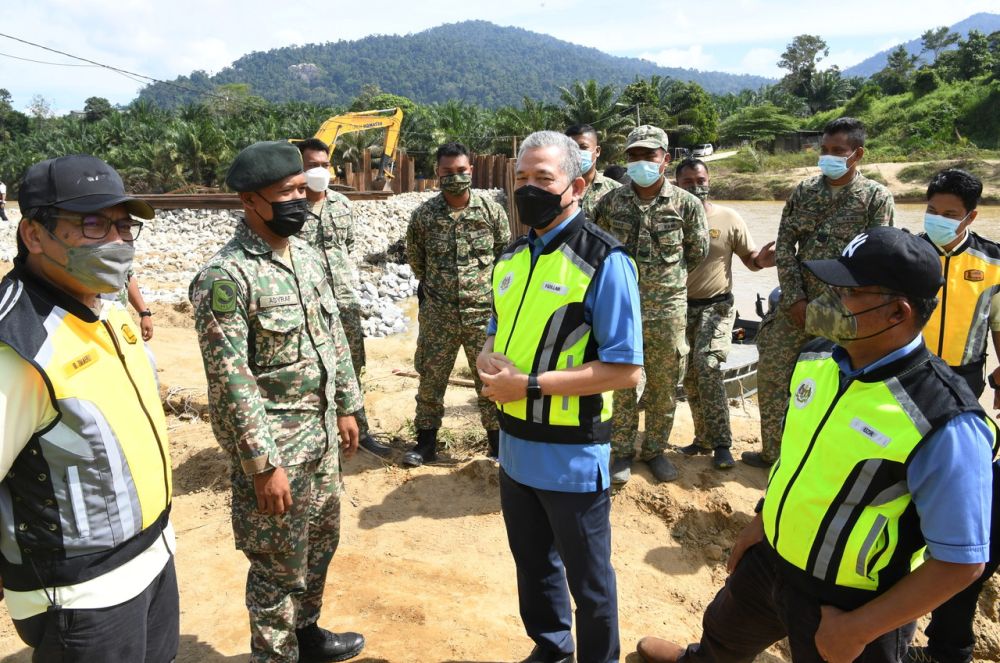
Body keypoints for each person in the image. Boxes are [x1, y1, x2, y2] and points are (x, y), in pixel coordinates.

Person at [636, 226, 994, 663]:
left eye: (847, 292)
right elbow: (801, 460)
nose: (828, 301)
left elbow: (960, 561)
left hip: (849, 604)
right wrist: (764, 523)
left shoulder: (944, 419)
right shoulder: (818, 358)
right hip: (772, 559)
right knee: (723, 636)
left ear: (897, 313)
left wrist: (859, 629)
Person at [189, 141, 365, 663]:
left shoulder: (307, 258)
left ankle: (305, 634)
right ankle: (275, 655)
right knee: (276, 567)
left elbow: (331, 338)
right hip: (277, 454)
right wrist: (262, 465)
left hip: (323, 440)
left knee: (320, 545)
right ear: (250, 201)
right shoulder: (226, 277)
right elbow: (231, 382)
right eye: (286, 193)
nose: (299, 200)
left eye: (301, 189)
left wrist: (348, 406)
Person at [0, 155, 177, 661]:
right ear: (34, 235)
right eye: (93, 224)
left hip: (154, 556)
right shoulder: (17, 348)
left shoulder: (107, 310)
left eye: (124, 224)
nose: (116, 241)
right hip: (84, 596)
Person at [478, 130, 642, 663]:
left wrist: (526, 386)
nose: (529, 189)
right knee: (533, 563)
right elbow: (496, 327)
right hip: (515, 448)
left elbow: (626, 370)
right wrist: (486, 356)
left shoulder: (605, 261)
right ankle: (551, 648)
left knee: (589, 583)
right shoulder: (511, 257)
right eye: (521, 178)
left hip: (572, 453)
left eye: (543, 178)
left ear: (579, 182)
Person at [751, 117, 894, 469]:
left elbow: (876, 258)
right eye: (824, 150)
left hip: (844, 313)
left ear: (856, 154)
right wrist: (795, 297)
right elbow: (784, 245)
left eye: (837, 151)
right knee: (772, 376)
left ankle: (820, 461)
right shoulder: (804, 192)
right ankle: (774, 454)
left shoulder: (875, 197)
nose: (828, 157)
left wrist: (845, 307)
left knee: (834, 387)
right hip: (793, 306)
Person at [906, 169, 1000, 663]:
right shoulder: (911, 253)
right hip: (908, 376)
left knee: (952, 482)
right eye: (933, 212)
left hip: (964, 381)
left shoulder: (993, 262)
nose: (939, 221)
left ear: (971, 216)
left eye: (950, 215)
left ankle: (946, 641)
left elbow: (999, 324)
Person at [593, 125, 709, 484]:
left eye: (649, 155)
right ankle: (622, 451)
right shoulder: (611, 202)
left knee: (663, 384)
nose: (641, 162)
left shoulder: (687, 205)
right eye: (634, 156)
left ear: (665, 159)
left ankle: (655, 450)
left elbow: (697, 251)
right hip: (622, 309)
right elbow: (596, 248)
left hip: (667, 311)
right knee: (622, 383)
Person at [403, 142, 510, 466]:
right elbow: (416, 261)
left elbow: (504, 259)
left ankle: (498, 445)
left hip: (483, 314)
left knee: (488, 379)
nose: (455, 178)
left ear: (471, 170)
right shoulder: (423, 216)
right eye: (448, 172)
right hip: (439, 314)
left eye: (461, 171)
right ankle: (425, 444)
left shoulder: (491, 211)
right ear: (437, 173)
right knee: (431, 379)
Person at [673, 157, 775, 470]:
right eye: (688, 182)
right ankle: (701, 438)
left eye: (700, 179)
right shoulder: (668, 217)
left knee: (708, 366)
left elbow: (750, 260)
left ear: (709, 180)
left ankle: (721, 444)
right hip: (678, 308)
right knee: (689, 376)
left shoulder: (729, 217)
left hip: (717, 306)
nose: (696, 186)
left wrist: (765, 260)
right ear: (677, 184)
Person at [296, 137, 391, 458]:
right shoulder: (291, 209)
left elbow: (348, 247)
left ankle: (361, 432)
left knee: (352, 367)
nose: (320, 171)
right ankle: (314, 437)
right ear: (300, 169)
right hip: (306, 304)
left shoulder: (342, 205)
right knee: (308, 369)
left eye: (324, 165)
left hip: (344, 302)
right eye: (312, 166)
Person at [565, 124, 620, 218]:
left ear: (597, 151)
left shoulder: (616, 191)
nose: (576, 153)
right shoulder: (555, 188)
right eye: (571, 148)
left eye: (583, 147)